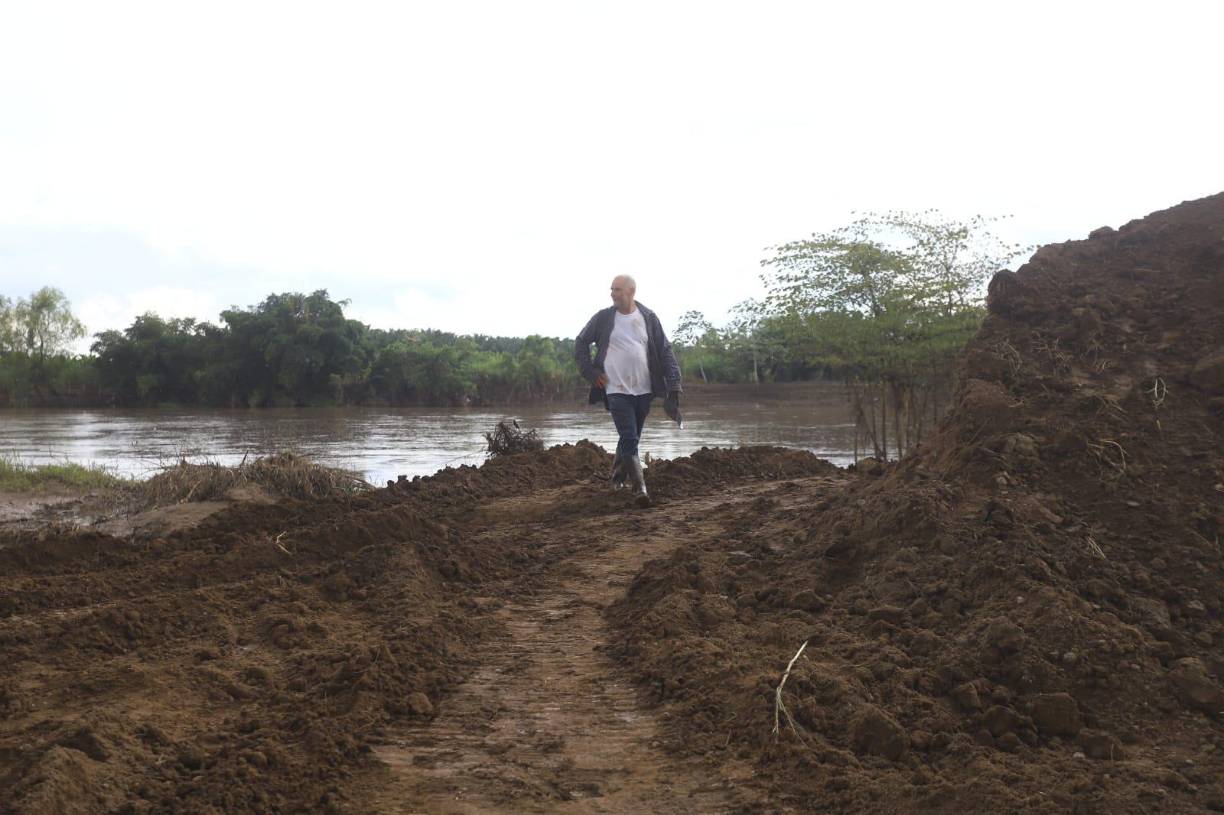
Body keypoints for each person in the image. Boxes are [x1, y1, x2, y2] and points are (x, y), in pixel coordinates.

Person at [574, 275, 682, 506]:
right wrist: (592, 374)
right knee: (630, 436)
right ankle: (640, 489)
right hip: (615, 388)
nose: (613, 293)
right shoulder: (603, 318)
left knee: (630, 435)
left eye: (618, 290)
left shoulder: (648, 317)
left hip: (644, 389)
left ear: (631, 292)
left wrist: (674, 385)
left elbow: (665, 351)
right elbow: (581, 342)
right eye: (611, 289)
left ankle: (618, 476)